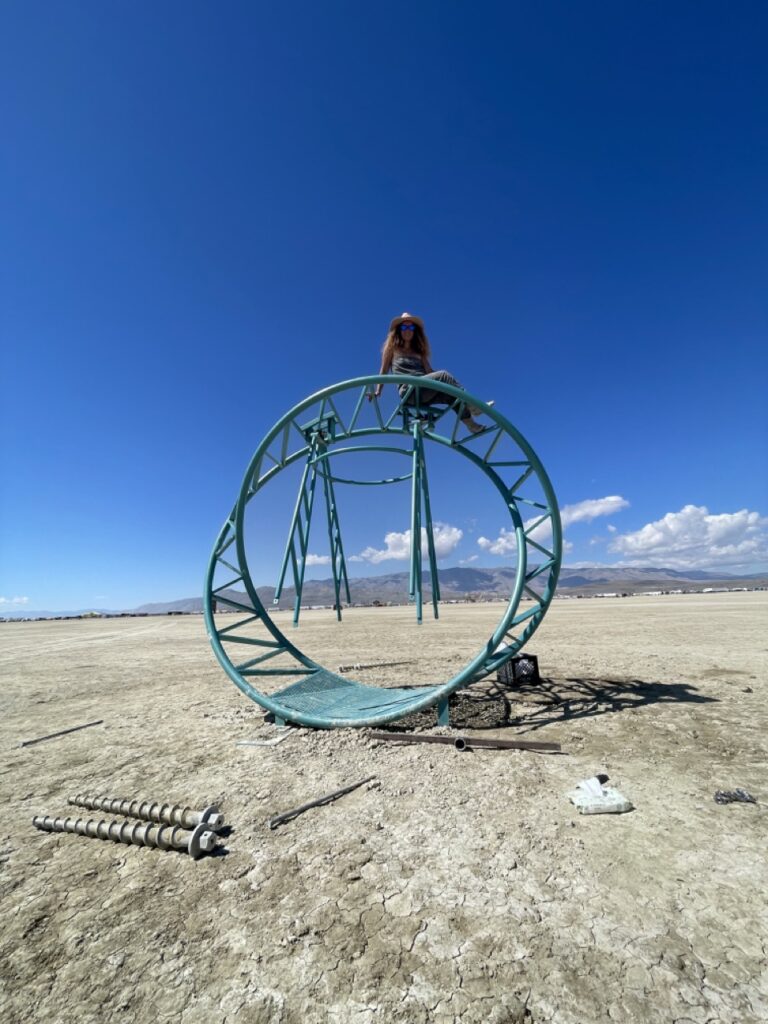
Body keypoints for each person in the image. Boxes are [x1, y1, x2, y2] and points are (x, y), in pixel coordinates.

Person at [368, 312, 489, 433]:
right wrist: (378, 391)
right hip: (409, 391)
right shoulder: (392, 349)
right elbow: (383, 370)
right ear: (399, 330)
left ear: (415, 331)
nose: (407, 330)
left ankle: (471, 424)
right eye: (404, 327)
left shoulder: (419, 352)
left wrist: (443, 381)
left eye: (411, 327)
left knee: (451, 395)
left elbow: (429, 372)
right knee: (444, 375)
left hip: (424, 389)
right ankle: (472, 405)